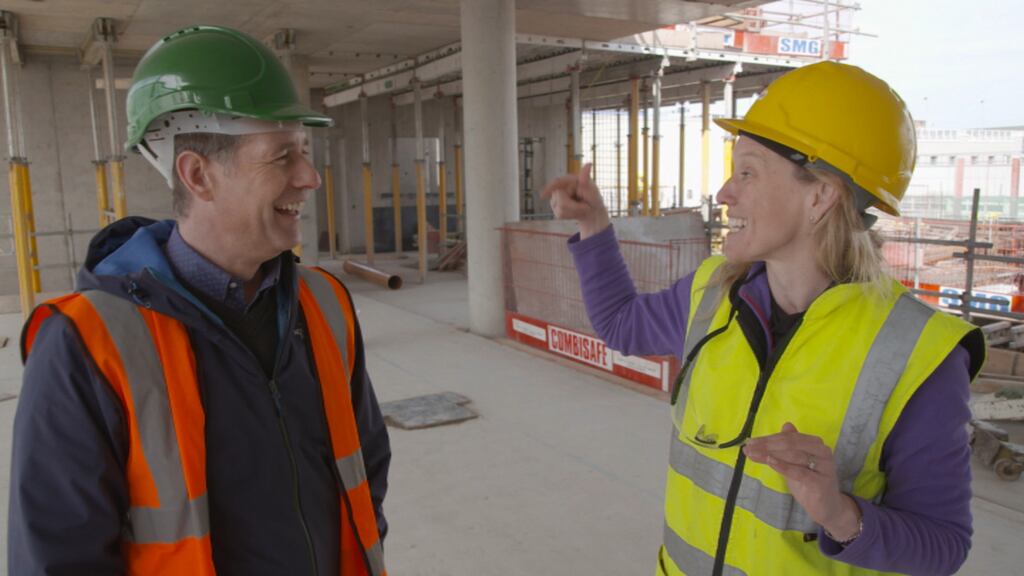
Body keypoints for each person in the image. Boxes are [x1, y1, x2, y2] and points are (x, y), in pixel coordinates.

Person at [543, 61, 985, 576]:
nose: (724, 194)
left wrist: (841, 515)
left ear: (820, 195)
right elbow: (622, 324)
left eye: (747, 173)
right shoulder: (713, 293)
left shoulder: (917, 354)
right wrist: (594, 223)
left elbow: (943, 545)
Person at [9, 25, 390, 576]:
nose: (309, 177)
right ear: (198, 174)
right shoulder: (86, 345)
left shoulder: (324, 303)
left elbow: (366, 464)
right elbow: (57, 557)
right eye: (282, 156)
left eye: (304, 152)